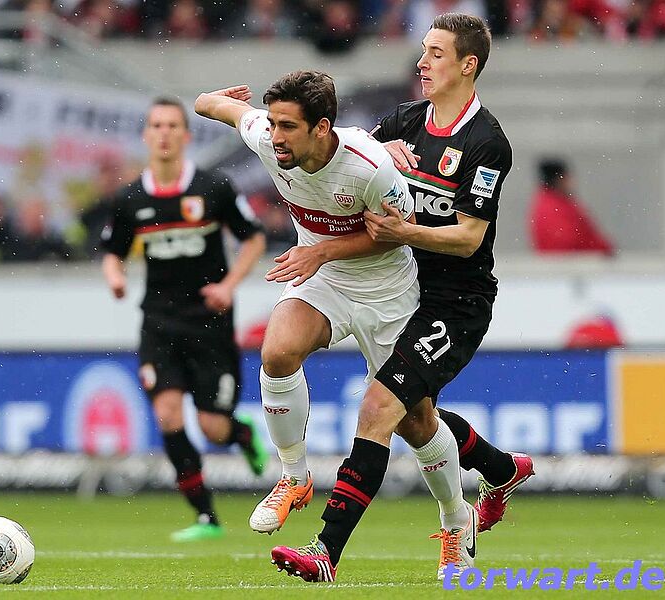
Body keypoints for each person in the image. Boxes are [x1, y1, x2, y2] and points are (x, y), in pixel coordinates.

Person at [267, 13, 532, 582]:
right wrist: (377, 148)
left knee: (379, 408)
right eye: (423, 51)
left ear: (468, 65)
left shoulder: (486, 143)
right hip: (399, 286)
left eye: (436, 53)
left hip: (454, 303)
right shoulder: (403, 121)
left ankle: (325, 551)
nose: (422, 62)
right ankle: (496, 470)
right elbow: (354, 160)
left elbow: (469, 237)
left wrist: (405, 231)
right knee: (415, 418)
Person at [196, 70, 479, 582]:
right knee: (277, 352)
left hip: (388, 294)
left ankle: (456, 519)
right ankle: (293, 477)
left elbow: (398, 234)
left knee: (417, 425)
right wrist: (212, 98)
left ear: (322, 127)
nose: (276, 137)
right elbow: (213, 107)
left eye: (288, 127)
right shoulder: (266, 138)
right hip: (325, 279)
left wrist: (321, 250)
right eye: (273, 124)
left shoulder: (371, 167)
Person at [100, 96, 269, 543]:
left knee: (213, 426)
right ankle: (205, 516)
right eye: (156, 125)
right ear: (146, 135)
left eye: (173, 125)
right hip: (158, 322)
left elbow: (253, 239)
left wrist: (229, 285)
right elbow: (113, 252)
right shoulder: (130, 198)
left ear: (186, 135)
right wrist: (116, 278)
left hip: (210, 323)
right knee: (168, 414)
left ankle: (240, 434)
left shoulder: (213, 188)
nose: (164, 133)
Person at [529, 158, 614, 255]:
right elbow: (567, 242)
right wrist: (602, 250)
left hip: (572, 260)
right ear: (559, 179)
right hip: (574, 261)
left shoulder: (552, 203)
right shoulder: (554, 206)